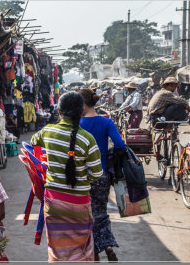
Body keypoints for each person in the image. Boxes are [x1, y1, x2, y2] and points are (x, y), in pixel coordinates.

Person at [30, 91, 103, 261]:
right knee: (82, 250)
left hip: (54, 202)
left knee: (57, 250)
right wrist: (83, 177)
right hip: (79, 203)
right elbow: (97, 172)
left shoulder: (47, 132)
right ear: (81, 112)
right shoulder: (88, 139)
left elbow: (33, 142)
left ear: (59, 112)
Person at [79, 88, 126, 261]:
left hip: (81, 176)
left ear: (82, 104)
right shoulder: (106, 122)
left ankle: (94, 251)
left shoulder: (77, 123)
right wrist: (110, 154)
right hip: (102, 175)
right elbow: (121, 145)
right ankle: (107, 245)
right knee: (101, 211)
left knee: (86, 214)